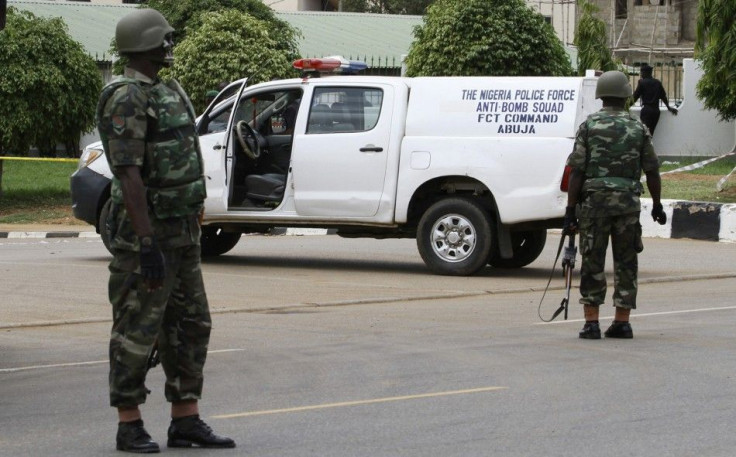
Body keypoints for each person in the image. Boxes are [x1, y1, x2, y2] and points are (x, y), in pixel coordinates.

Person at [96, 8, 235, 453]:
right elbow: (128, 173)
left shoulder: (167, 89)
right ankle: (129, 422)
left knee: (191, 325)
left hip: (182, 233)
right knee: (137, 329)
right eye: (163, 40)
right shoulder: (126, 96)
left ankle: (185, 419)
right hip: (147, 236)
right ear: (144, 44)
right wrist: (147, 242)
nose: (168, 47)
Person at [563, 70, 667, 340]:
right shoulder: (638, 128)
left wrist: (569, 210)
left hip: (594, 205)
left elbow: (576, 172)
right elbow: (652, 171)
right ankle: (622, 321)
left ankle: (592, 323)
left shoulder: (589, 126)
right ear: (624, 96)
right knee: (626, 262)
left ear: (601, 97)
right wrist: (656, 205)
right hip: (627, 206)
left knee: (592, 261)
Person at [632, 63, 678, 135]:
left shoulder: (642, 82)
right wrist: (668, 107)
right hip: (656, 111)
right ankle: (649, 145)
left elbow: (635, 97)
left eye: (641, 72)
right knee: (651, 133)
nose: (641, 74)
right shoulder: (657, 82)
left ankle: (644, 146)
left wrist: (626, 107)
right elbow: (663, 96)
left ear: (645, 72)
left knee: (644, 132)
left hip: (646, 111)